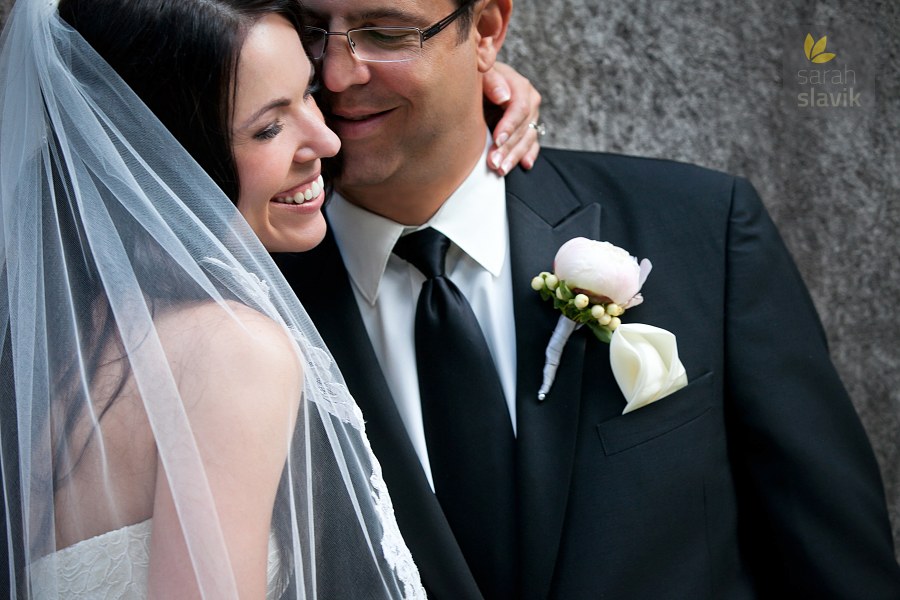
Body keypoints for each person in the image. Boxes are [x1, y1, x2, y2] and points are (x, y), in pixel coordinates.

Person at [273, 0, 900, 598]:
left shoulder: (702, 229)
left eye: (386, 32)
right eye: (310, 30)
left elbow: (836, 561)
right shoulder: (243, 304)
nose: (335, 71)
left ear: (487, 28)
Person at [0, 0, 541, 597]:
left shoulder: (48, 350)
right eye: (268, 126)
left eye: (308, 93)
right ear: (166, 150)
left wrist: (464, 71)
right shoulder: (229, 354)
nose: (328, 138)